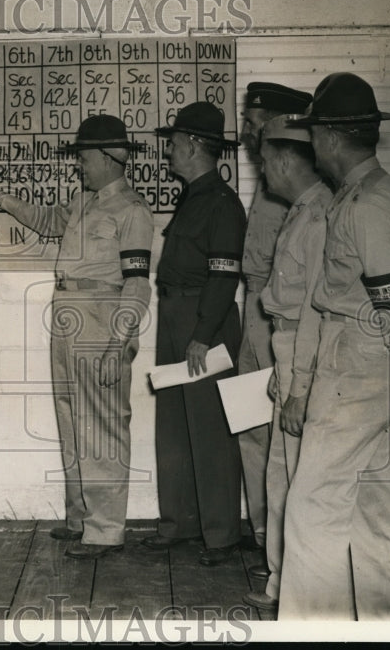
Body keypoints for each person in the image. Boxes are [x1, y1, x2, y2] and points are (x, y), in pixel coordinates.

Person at [0, 114, 154, 559]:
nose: (79, 166)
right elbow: (44, 220)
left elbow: (137, 283)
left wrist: (118, 340)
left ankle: (106, 530)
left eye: (85, 157)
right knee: (71, 419)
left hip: (102, 317)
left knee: (103, 427)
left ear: (110, 158)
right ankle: (80, 518)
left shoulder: (132, 210)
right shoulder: (83, 202)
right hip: (68, 311)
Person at [278, 73, 390, 620]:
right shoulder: (375, 194)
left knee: (313, 507)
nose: (312, 146)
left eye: (314, 135)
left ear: (330, 137)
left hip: (359, 362)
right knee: (380, 508)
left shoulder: (367, 206)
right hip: (378, 363)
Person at [147, 102, 246, 566]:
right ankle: (179, 524)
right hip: (174, 317)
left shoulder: (222, 203)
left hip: (203, 321)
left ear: (190, 145)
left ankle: (221, 536)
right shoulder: (194, 196)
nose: (167, 153)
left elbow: (224, 277)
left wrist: (203, 334)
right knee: (173, 427)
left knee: (209, 429)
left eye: (172, 144)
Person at [241, 114, 331, 613]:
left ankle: (300, 594)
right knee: (280, 476)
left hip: (305, 349)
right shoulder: (299, 210)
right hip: (286, 346)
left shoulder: (319, 217)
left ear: (284, 161)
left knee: (299, 479)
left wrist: (300, 380)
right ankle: (280, 585)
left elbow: (319, 306)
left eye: (266, 161)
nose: (263, 172)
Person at [236, 83, 312, 567]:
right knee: (249, 420)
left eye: (256, 121)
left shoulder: (300, 182)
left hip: (281, 312)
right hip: (254, 305)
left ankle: (287, 545)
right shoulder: (267, 181)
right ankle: (264, 532)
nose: (246, 130)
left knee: (285, 426)